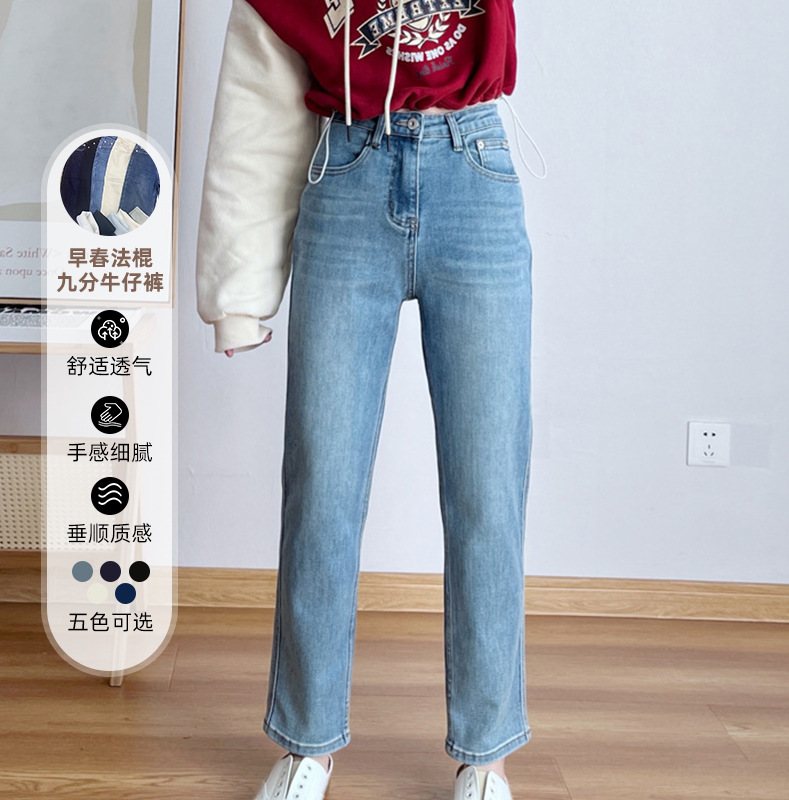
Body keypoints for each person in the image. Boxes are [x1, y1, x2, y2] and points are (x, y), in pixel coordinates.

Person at [196, 2, 545, 798]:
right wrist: (237, 295)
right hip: (347, 171)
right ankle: (307, 744)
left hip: (475, 168)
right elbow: (255, 100)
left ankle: (487, 754)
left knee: (489, 486)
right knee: (323, 484)